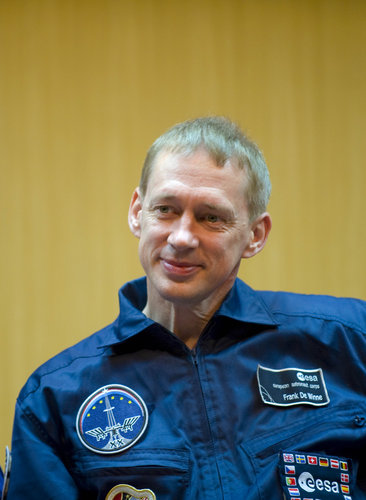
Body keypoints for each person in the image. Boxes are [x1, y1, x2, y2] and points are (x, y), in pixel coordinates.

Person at [5, 117, 366, 500]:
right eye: (165, 209)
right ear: (136, 212)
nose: (181, 237)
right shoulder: (53, 398)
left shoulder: (349, 341)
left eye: (211, 217)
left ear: (255, 235)